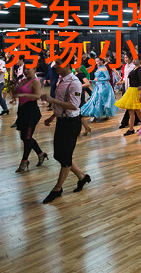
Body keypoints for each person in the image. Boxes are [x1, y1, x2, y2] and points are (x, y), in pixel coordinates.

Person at [40, 59, 91, 204]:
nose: (55, 66)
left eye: (58, 63)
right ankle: (82, 177)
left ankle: (57, 189)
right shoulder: (62, 80)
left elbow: (74, 106)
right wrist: (52, 116)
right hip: (62, 121)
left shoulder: (74, 82)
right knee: (59, 155)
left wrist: (52, 100)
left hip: (71, 123)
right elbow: (63, 102)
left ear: (67, 64)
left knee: (65, 158)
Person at [13, 67, 48, 173]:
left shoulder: (35, 82)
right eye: (25, 69)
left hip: (31, 112)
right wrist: (14, 84)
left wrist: (24, 94)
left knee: (27, 138)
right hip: (22, 111)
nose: (26, 71)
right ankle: (41, 154)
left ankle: (24, 161)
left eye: (28, 69)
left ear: (34, 69)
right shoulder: (23, 80)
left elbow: (37, 96)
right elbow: (15, 94)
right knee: (23, 137)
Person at [79, 57, 118, 122]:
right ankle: (97, 115)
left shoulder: (104, 68)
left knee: (100, 101)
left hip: (104, 86)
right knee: (97, 100)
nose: (97, 62)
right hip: (98, 86)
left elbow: (108, 78)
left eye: (98, 61)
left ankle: (99, 115)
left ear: (102, 61)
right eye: (96, 61)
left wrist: (99, 79)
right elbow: (97, 78)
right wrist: (93, 81)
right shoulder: (98, 68)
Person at [116, 59, 141, 136]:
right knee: (133, 110)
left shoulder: (140, 69)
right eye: (134, 60)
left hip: (135, 91)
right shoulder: (134, 68)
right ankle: (133, 128)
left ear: (140, 60)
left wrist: (140, 94)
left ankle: (136, 128)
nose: (134, 61)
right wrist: (121, 83)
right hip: (131, 90)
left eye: (136, 60)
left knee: (135, 110)